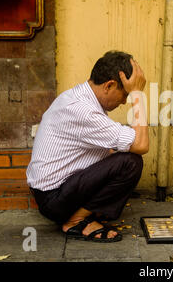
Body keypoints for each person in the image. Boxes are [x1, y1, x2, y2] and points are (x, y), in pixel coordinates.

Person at [26, 51, 148, 243]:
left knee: (118, 152)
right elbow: (141, 145)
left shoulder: (80, 97)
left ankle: (85, 212)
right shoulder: (82, 111)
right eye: (124, 94)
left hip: (55, 192)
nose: (125, 101)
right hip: (54, 199)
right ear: (109, 85)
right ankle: (75, 220)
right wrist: (138, 96)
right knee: (131, 162)